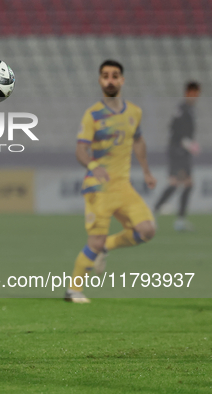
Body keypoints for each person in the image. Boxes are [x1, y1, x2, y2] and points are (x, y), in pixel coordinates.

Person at [65, 59, 157, 303]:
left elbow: (138, 141)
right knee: (93, 241)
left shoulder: (134, 112)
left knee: (147, 230)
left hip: (123, 186)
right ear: (100, 80)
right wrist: (94, 167)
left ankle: (107, 246)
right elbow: (80, 151)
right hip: (98, 188)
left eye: (115, 75)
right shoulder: (92, 115)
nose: (110, 80)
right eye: (105, 75)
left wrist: (147, 171)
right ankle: (73, 290)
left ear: (122, 80)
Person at [154, 81, 201, 231]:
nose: (194, 96)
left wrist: (189, 144)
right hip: (177, 151)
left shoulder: (190, 109)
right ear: (186, 92)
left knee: (188, 184)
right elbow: (175, 129)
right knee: (175, 183)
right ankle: (152, 214)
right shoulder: (181, 109)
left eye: (196, 93)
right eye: (191, 92)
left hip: (183, 152)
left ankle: (180, 221)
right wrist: (187, 144)